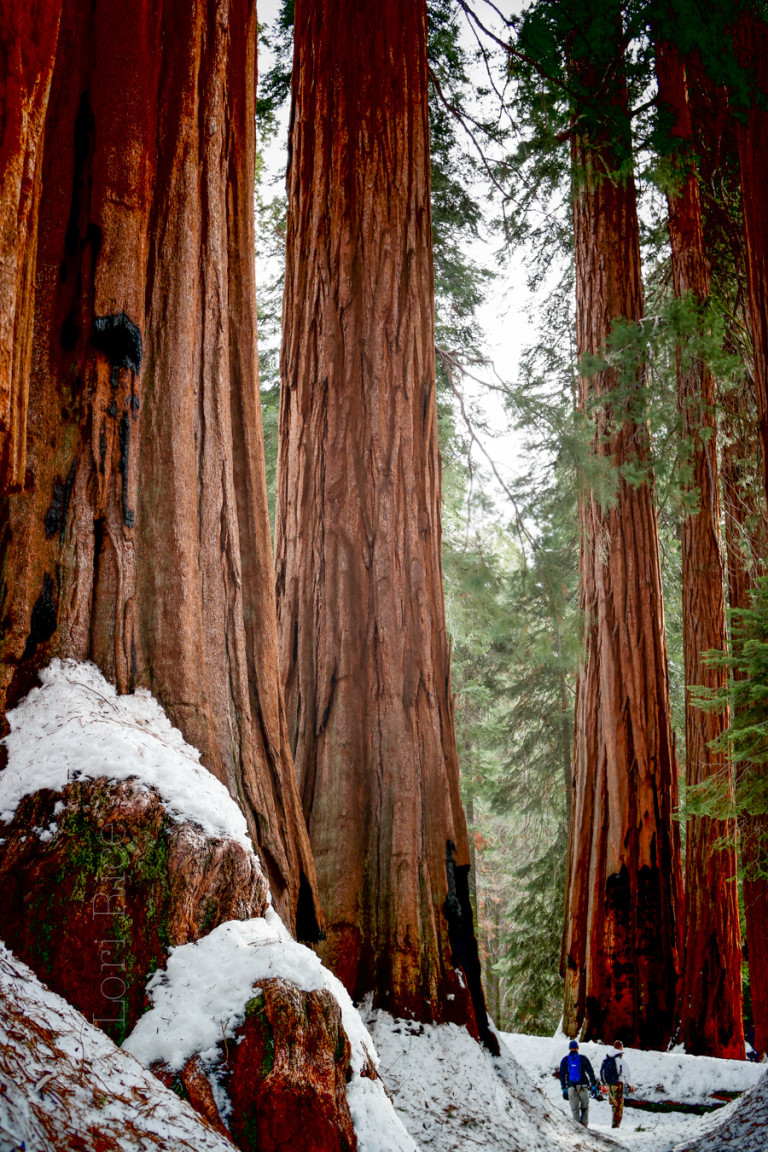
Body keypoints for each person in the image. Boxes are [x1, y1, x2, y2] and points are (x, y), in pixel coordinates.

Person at [559, 1039, 597, 1128]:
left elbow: (562, 1076)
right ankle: (584, 1126)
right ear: (577, 1048)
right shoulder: (583, 1058)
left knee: (574, 1109)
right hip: (583, 1086)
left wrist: (564, 1089)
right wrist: (593, 1086)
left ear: (569, 1049)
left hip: (571, 1087)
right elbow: (590, 1072)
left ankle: (577, 1128)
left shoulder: (565, 1060)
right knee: (585, 1108)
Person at [600, 1040, 635, 1129]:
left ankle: (614, 1123)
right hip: (618, 1083)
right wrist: (631, 1085)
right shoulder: (620, 1060)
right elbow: (626, 1074)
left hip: (609, 1084)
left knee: (614, 1104)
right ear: (620, 1047)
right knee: (619, 1105)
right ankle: (616, 1126)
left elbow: (602, 1071)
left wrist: (603, 1084)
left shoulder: (607, 1058)